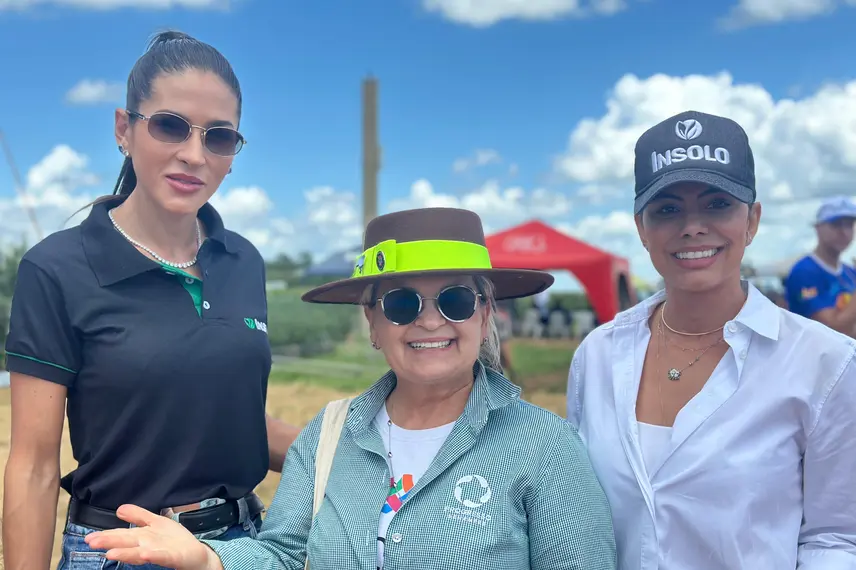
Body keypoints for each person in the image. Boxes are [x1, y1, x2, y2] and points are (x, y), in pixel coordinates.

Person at [83, 207, 618, 570]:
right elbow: (287, 554)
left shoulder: (546, 449)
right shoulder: (327, 437)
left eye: (454, 300)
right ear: (373, 322)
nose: (430, 322)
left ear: (484, 312)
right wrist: (212, 558)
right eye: (402, 303)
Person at [3, 30, 299, 570]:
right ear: (124, 129)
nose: (193, 154)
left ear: (233, 153)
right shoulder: (56, 269)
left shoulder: (243, 262)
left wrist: (354, 448)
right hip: (120, 552)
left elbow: (228, 418)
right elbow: (33, 465)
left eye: (219, 137)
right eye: (169, 125)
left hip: (239, 549)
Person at [566, 110, 856, 569]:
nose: (692, 226)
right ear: (642, 228)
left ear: (752, 220)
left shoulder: (825, 362)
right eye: (667, 209)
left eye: (718, 203)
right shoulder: (598, 355)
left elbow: (836, 537)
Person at [784, 196, 856, 336]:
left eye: (849, 224)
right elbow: (831, 328)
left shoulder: (849, 272)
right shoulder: (804, 272)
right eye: (836, 224)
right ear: (818, 228)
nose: (844, 232)